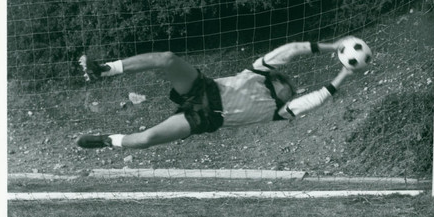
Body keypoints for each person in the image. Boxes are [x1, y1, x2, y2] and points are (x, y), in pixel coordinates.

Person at [76, 39, 356, 149]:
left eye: (292, 93)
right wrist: (335, 47)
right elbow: (291, 50)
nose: (292, 91)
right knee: (167, 58)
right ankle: (104, 69)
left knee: (148, 138)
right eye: (289, 86)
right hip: (203, 88)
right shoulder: (259, 73)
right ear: (278, 78)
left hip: (204, 117)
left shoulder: (280, 113)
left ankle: (106, 140)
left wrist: (344, 73)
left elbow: (319, 97)